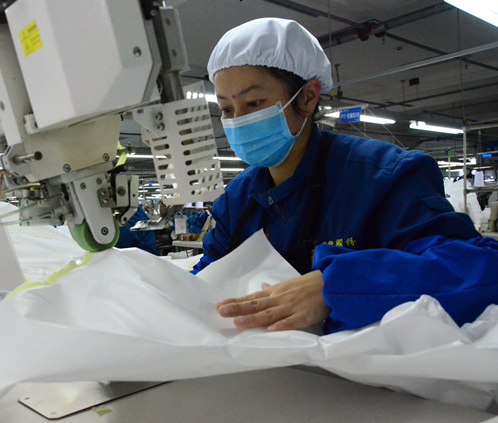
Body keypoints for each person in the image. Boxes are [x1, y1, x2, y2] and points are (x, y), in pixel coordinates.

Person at [191, 18, 498, 334]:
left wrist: (339, 285)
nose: (238, 121)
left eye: (254, 103)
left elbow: (480, 269)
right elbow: (207, 279)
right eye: (226, 110)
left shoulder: (384, 178)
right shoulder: (238, 200)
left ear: (308, 97)